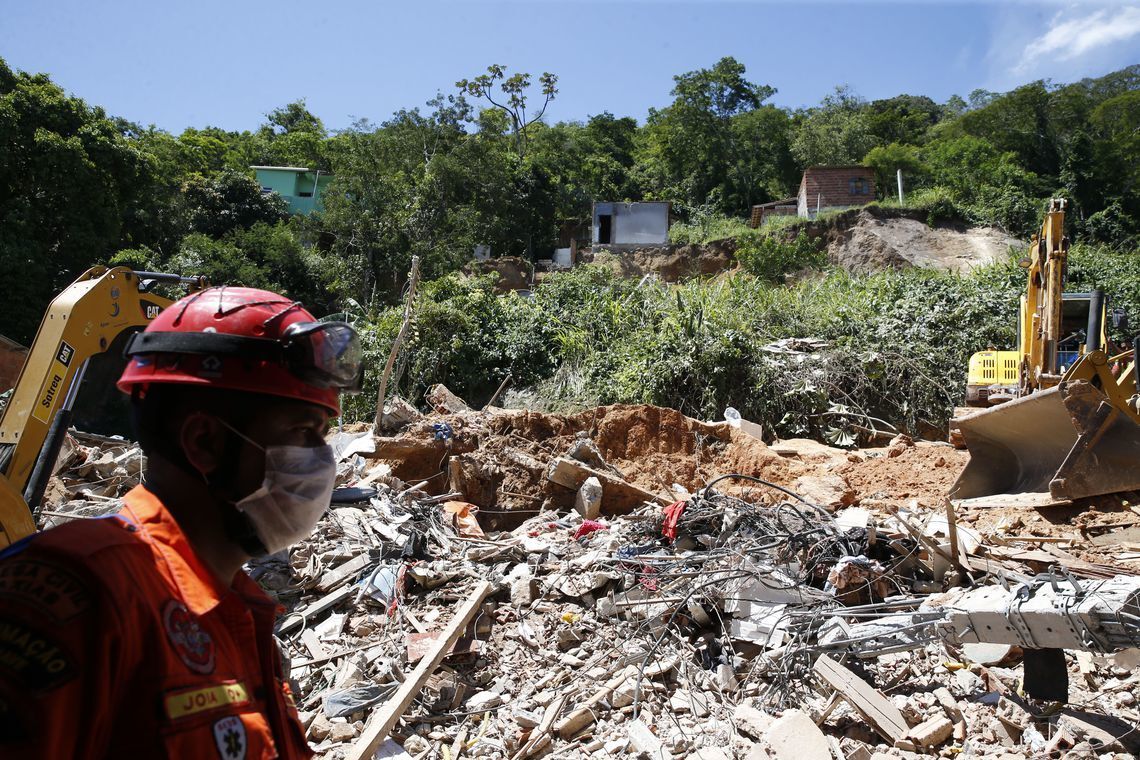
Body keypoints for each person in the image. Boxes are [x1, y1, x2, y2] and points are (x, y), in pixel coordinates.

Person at [0, 286, 362, 758]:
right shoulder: (77, 599)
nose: (322, 461)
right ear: (204, 442)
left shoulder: (237, 611)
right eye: (301, 432)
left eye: (322, 435)